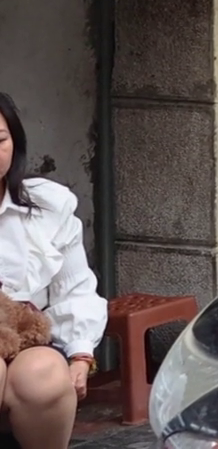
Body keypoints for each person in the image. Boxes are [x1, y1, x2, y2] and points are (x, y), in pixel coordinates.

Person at [0, 93, 104, 449]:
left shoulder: (47, 205)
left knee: (43, 375)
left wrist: (81, 355)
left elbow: (74, 287)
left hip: (29, 335)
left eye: (0, 140)